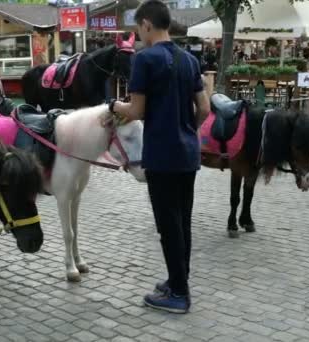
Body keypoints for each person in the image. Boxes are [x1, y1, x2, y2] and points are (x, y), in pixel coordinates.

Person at [109, 0, 209, 314]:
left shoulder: (145, 60)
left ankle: (179, 294)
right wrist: (185, 131)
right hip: (188, 154)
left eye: (139, 28)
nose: (139, 34)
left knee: (168, 225)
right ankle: (178, 279)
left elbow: (136, 110)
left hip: (162, 156)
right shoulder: (189, 60)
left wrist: (114, 106)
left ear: (148, 24)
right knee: (183, 221)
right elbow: (205, 109)